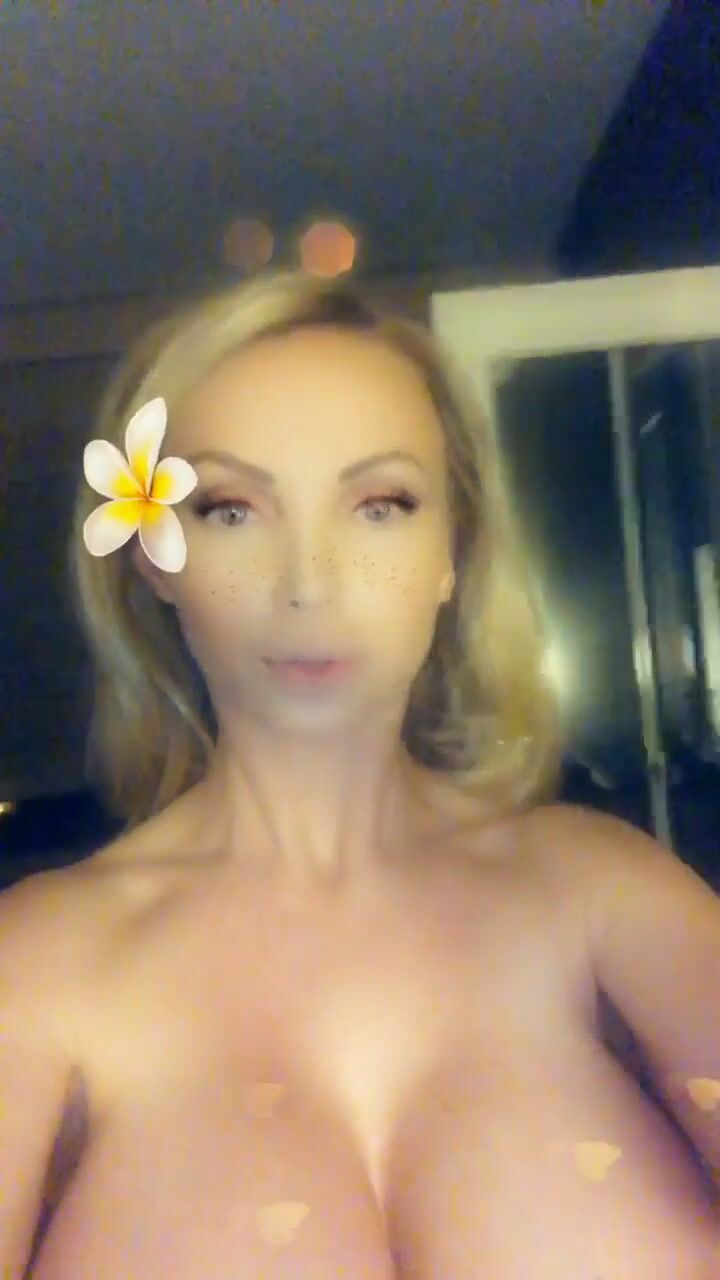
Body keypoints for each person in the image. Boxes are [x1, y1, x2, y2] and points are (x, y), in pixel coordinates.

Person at [2, 269, 718, 1278]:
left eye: (380, 504)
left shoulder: (604, 888)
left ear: (451, 548)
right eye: (231, 508)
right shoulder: (39, 960)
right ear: (155, 556)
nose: (311, 583)